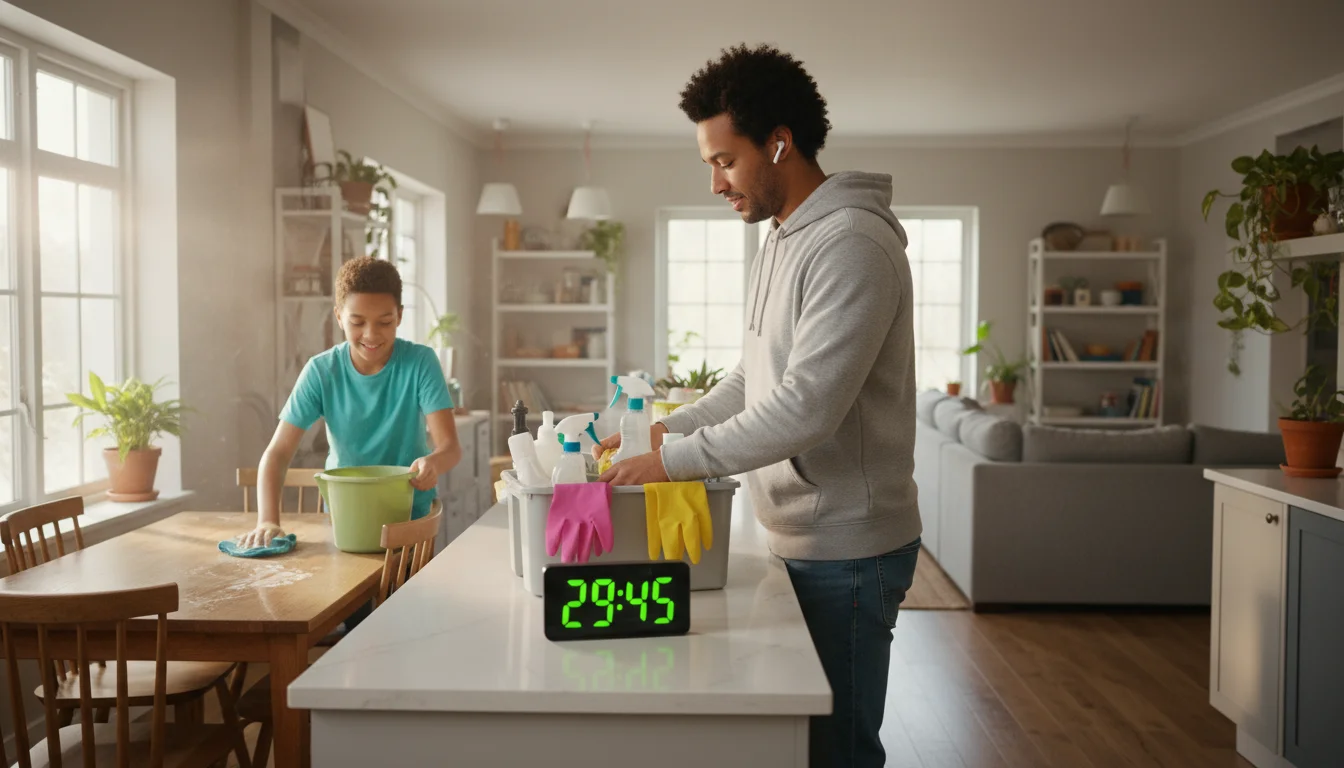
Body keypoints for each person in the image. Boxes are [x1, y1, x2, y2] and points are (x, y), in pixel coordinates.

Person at [597, 43, 921, 768]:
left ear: (779, 142)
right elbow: (755, 378)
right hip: (799, 536)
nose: (715, 182)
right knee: (791, 743)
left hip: (848, 547)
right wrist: (664, 430)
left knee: (836, 753)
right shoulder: (782, 238)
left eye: (725, 160)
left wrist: (670, 463)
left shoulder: (851, 244)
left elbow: (806, 409)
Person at [240, 256, 462, 551]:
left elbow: (450, 448)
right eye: (357, 322)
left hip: (409, 520)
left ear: (399, 316)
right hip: (345, 520)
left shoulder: (420, 362)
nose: (371, 334)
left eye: (384, 322)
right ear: (339, 316)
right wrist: (267, 521)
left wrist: (432, 462)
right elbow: (278, 453)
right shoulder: (321, 371)